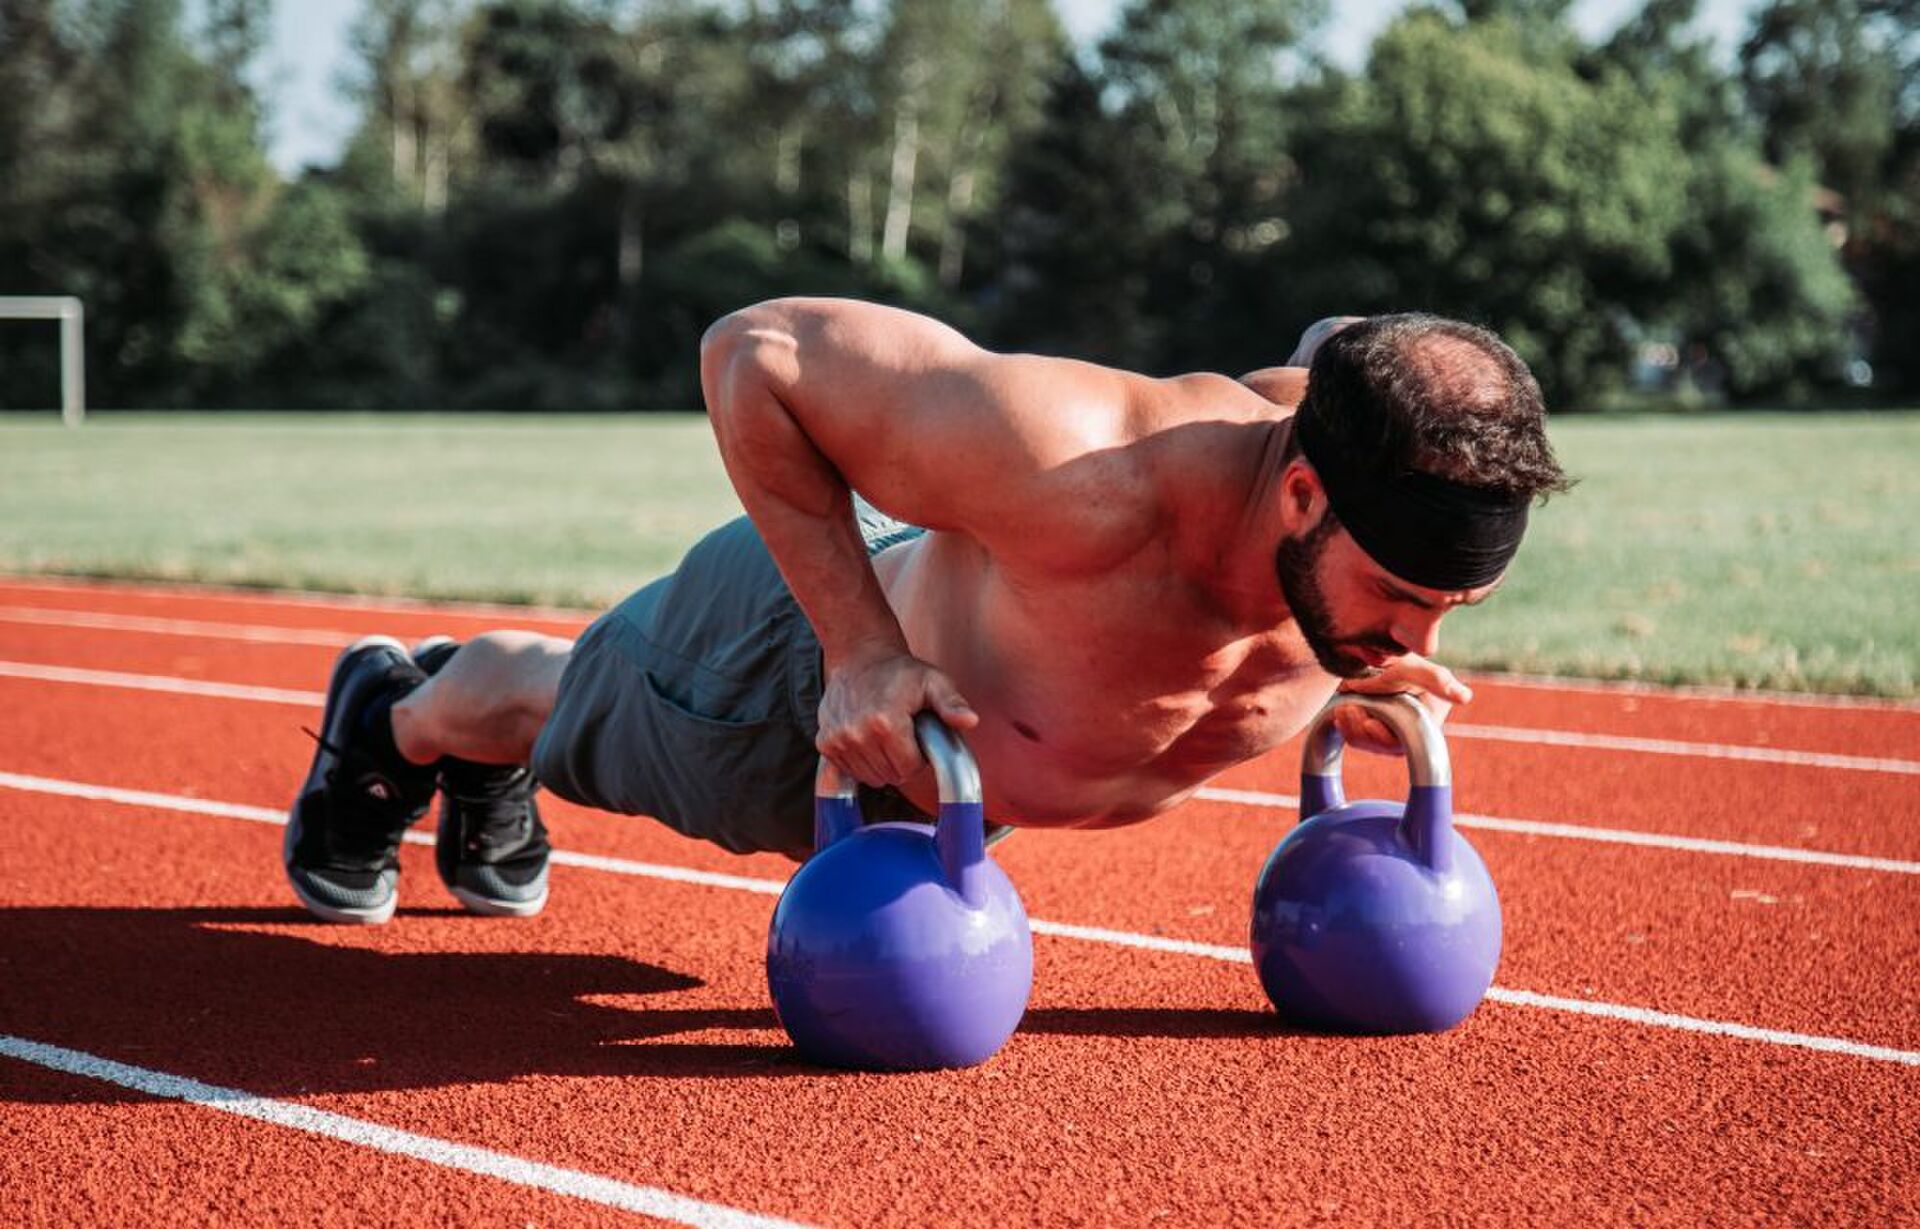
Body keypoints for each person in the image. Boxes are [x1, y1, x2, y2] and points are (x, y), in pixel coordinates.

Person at [284, 300, 1570, 925]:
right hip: (786, 681)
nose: (1421, 649)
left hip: (958, 739)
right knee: (554, 704)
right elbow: (757, 354)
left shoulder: (1357, 461)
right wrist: (858, 651)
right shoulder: (1084, 464)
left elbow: (1347, 332)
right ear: (1298, 494)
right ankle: (403, 715)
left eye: (1453, 608)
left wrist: (1363, 639)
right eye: (1400, 603)